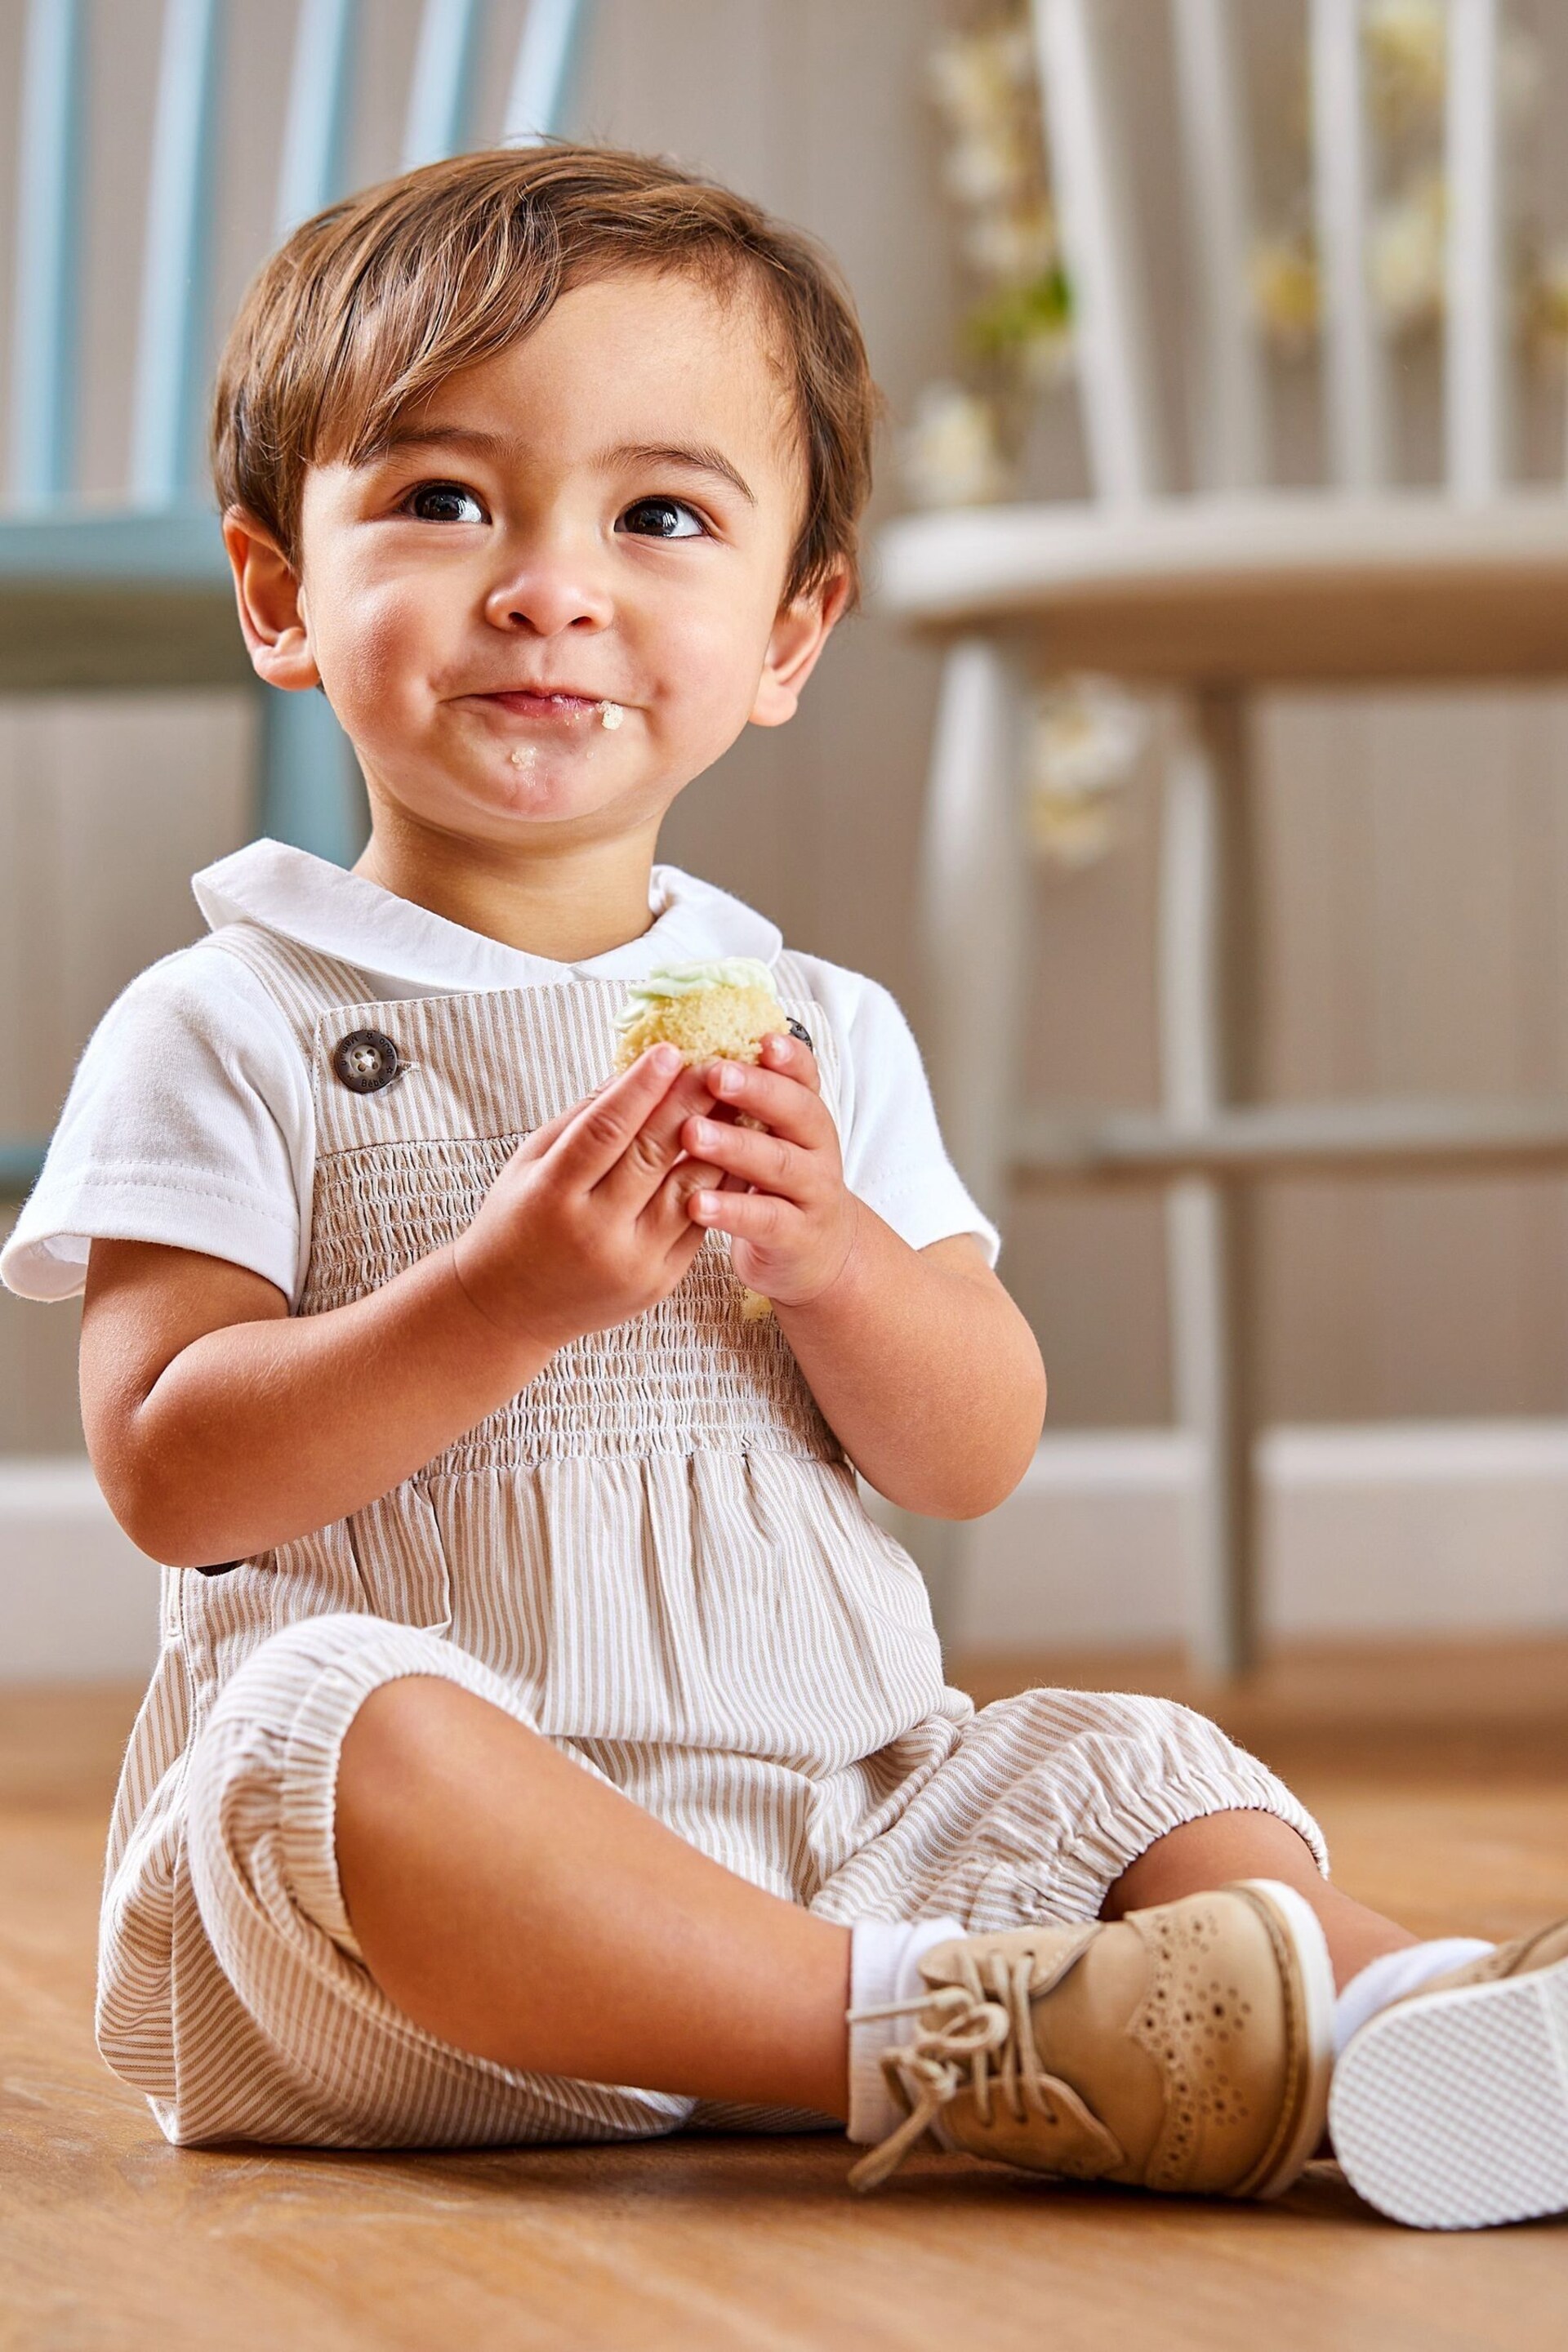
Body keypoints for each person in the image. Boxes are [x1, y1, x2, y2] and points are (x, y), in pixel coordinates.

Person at [4, 145, 1564, 2234]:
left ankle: (1405, 2031)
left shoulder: (810, 1031)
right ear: (283, 590)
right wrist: (497, 1301)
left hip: (839, 1829)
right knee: (323, 1717)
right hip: (443, 1960)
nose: (549, 584)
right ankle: (954, 2038)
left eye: (659, 518)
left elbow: (971, 1447)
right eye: (444, 501)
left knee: (1113, 1760)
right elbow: (175, 1476)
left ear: (788, 631)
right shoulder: (231, 1023)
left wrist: (838, 1266)